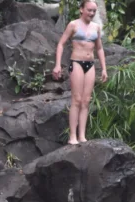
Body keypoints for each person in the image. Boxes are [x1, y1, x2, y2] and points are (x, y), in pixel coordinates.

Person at [52, 0, 108, 145]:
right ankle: (72, 136)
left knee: (86, 101)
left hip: (90, 64)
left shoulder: (96, 27)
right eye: (89, 10)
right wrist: (57, 65)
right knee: (76, 100)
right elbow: (61, 43)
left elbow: (99, 49)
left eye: (94, 11)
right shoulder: (73, 25)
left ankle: (82, 135)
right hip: (76, 63)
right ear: (81, 10)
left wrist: (104, 68)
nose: (92, 13)